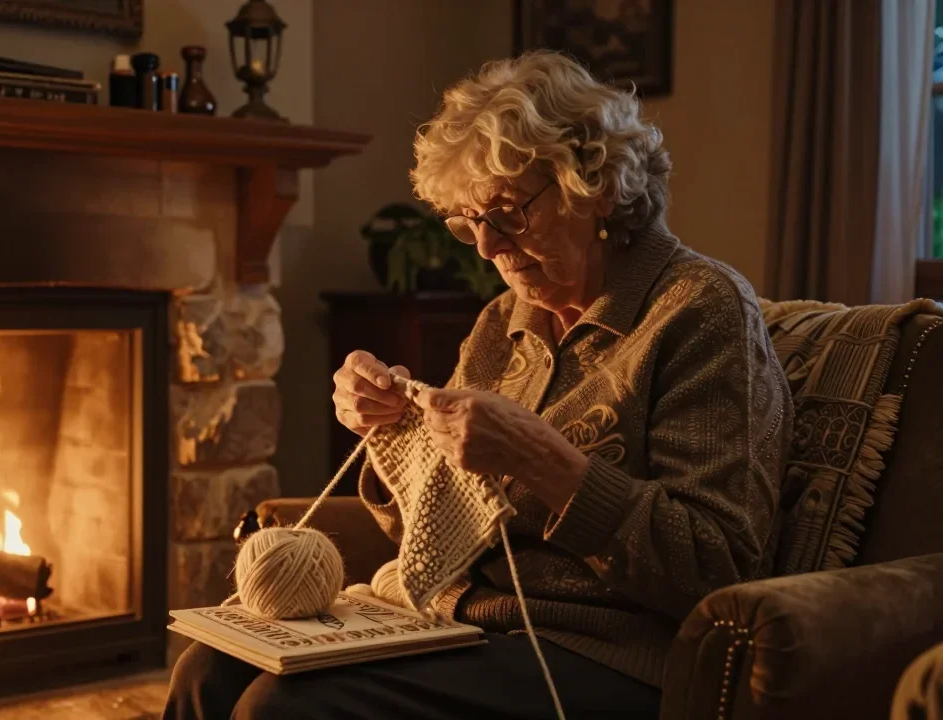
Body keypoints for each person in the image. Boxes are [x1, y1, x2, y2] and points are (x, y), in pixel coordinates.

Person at [164, 51, 792, 719]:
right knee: (208, 669)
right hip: (457, 622)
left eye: (508, 212)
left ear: (595, 185)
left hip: (602, 653)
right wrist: (390, 435)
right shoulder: (502, 324)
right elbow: (430, 531)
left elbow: (718, 565)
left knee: (280, 708)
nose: (488, 247)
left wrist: (542, 461)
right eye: (468, 221)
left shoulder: (700, 310)